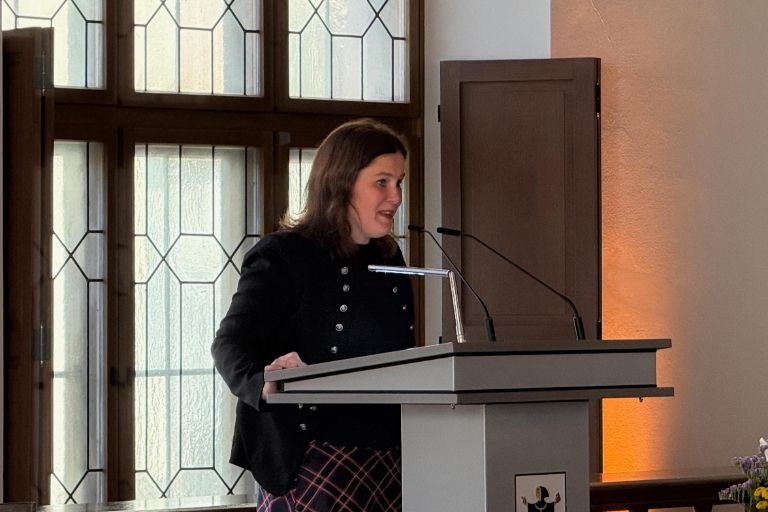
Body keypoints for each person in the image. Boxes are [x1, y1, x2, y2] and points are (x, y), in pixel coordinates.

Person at [211, 118, 415, 512]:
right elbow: (229, 344)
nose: (396, 196)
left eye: (399, 183)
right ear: (342, 182)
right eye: (382, 182)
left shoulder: (390, 258)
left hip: (388, 455)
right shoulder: (283, 254)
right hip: (310, 457)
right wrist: (263, 380)